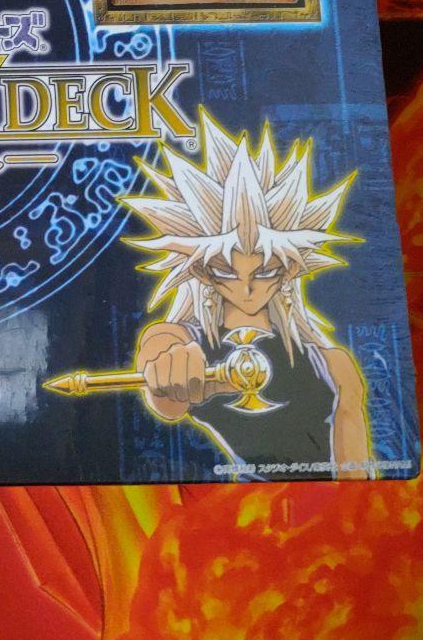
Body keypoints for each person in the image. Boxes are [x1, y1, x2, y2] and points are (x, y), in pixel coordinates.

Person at [124, 111, 372, 479]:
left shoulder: (332, 366)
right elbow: (163, 377)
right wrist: (168, 370)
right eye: (226, 270)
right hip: (249, 504)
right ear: (201, 271)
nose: (246, 288)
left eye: (265, 271)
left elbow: (356, 476)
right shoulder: (184, 338)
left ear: (290, 269)